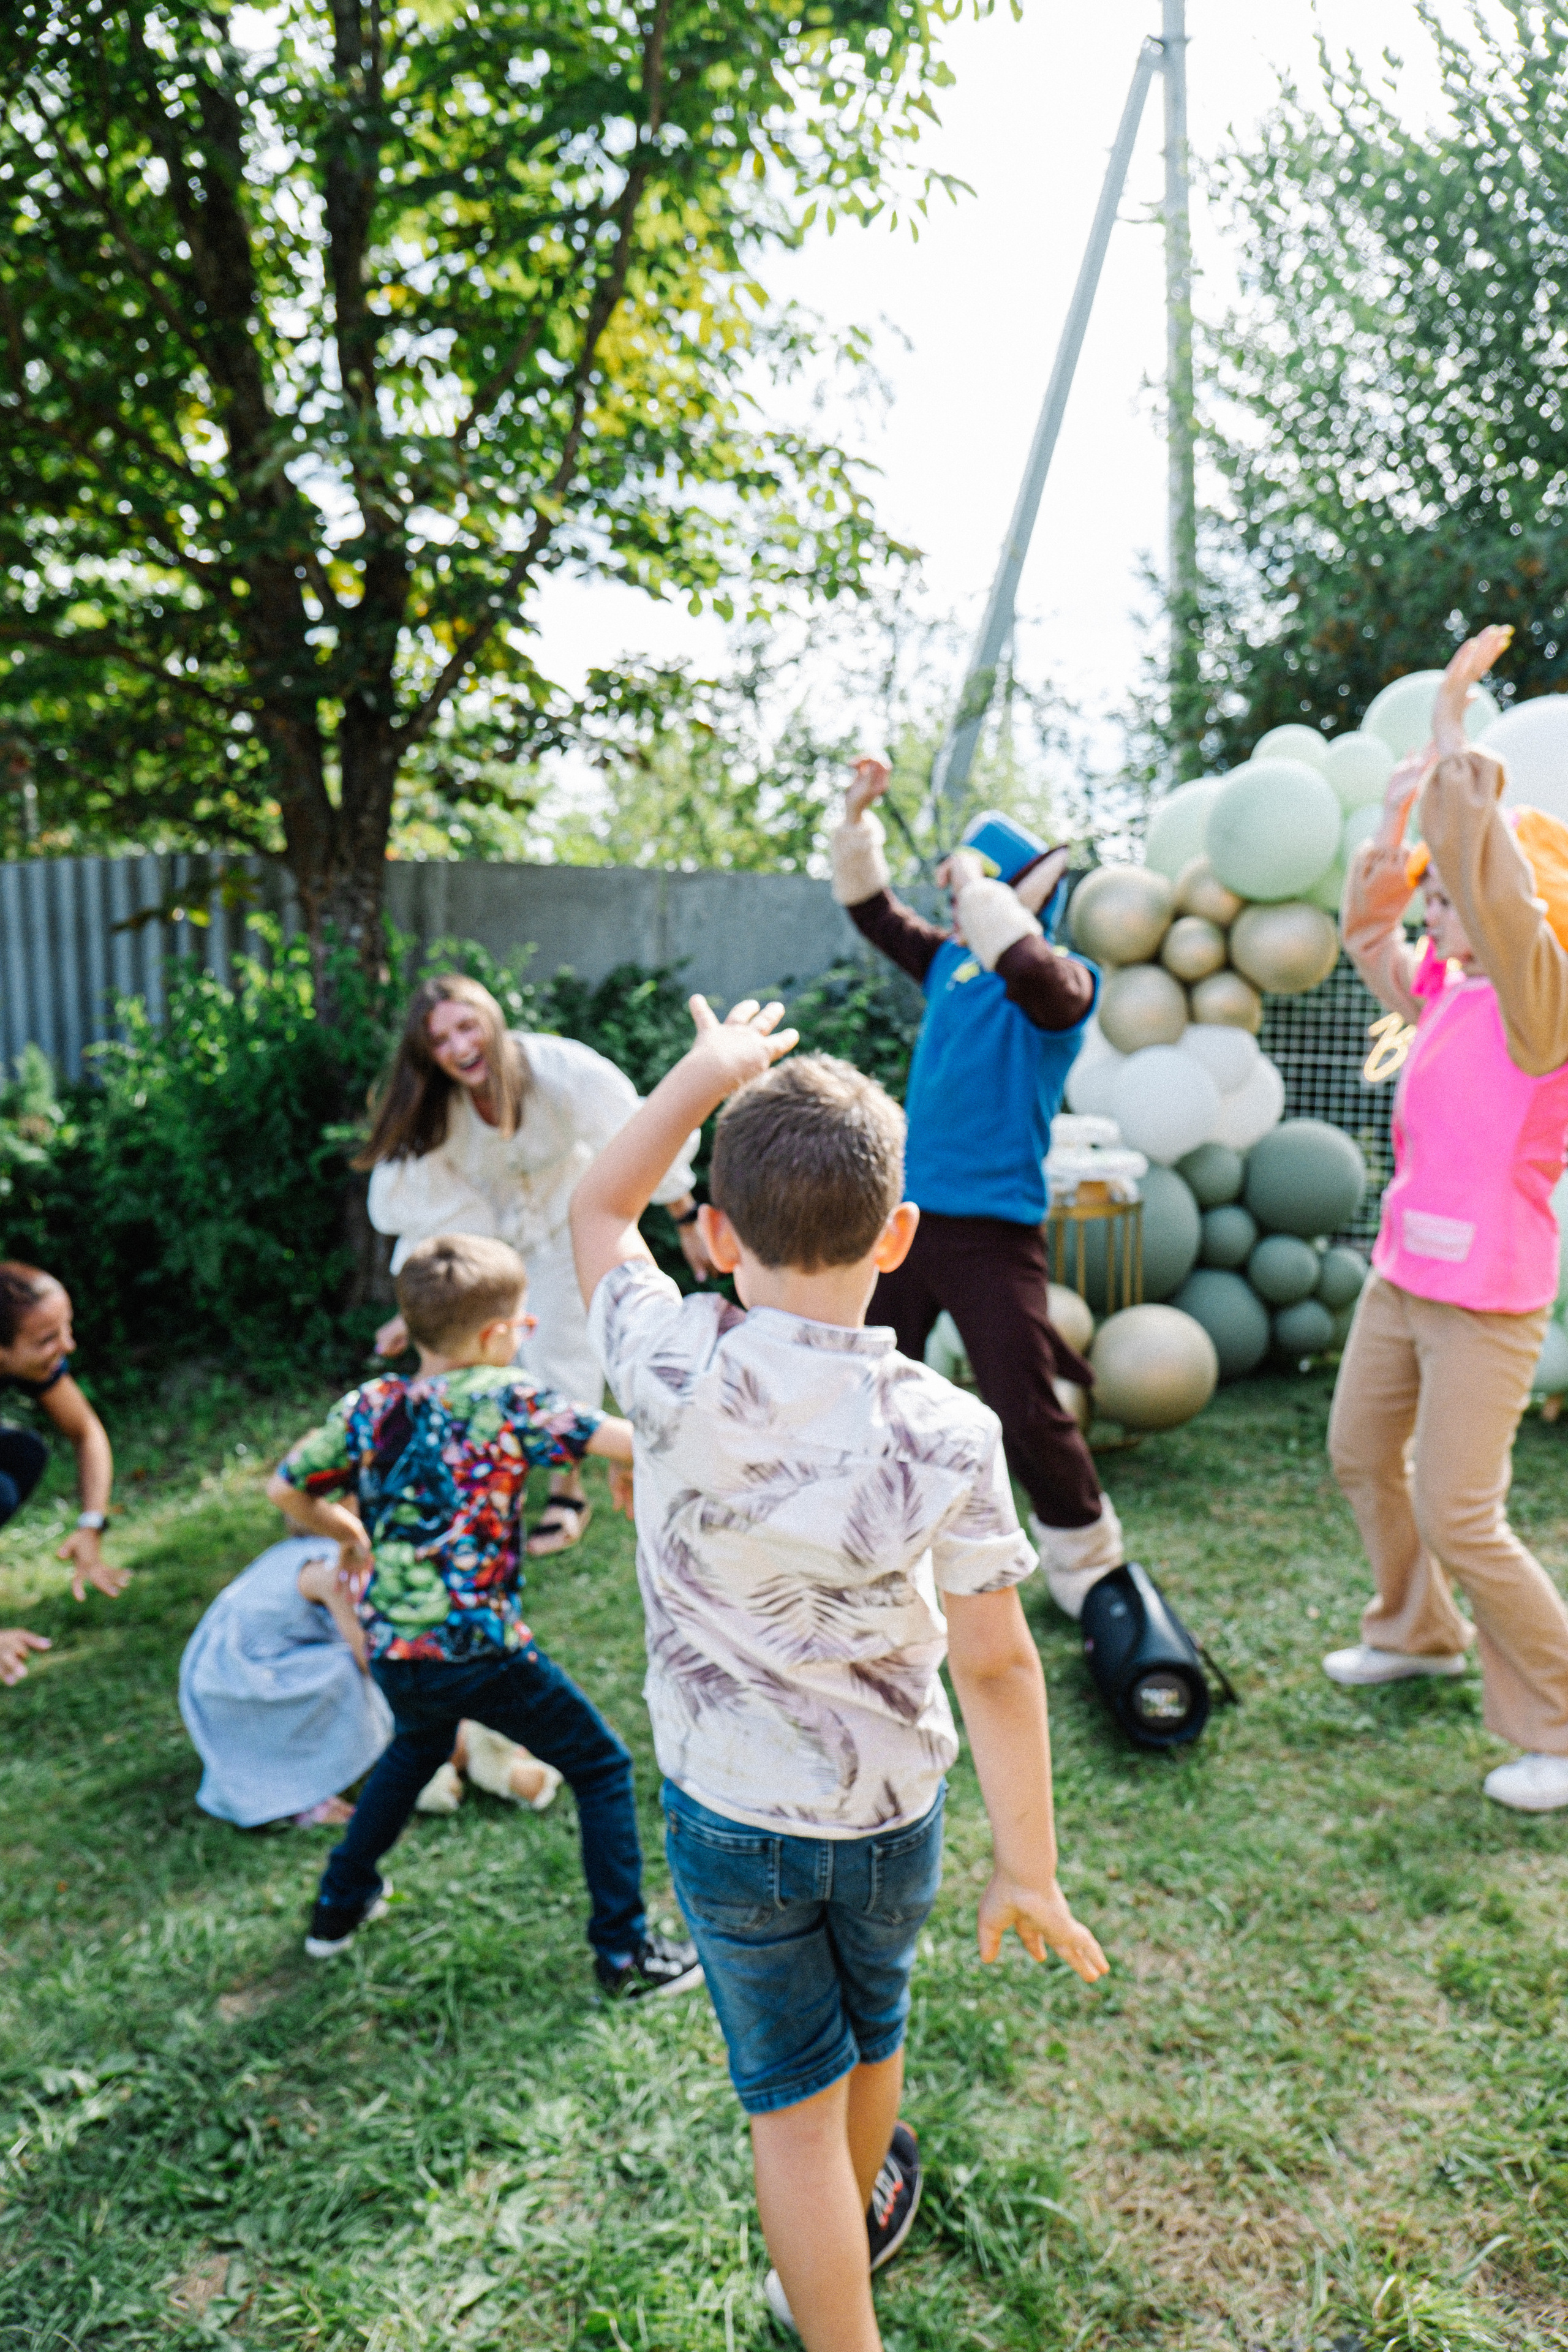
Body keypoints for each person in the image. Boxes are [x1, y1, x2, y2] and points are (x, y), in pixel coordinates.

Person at [570, 997, 1109, 2351]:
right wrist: (1027, 1866)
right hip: (888, 1820)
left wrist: (704, 1074)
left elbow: (593, 1208)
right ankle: (858, 2228)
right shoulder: (948, 1426)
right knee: (872, 2032)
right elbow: (994, 1667)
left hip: (731, 1820)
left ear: (713, 1236)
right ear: (898, 1236)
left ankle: (835, 2324)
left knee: (788, 2109)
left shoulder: (671, 1359)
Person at [269, 1231, 702, 1997]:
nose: (526, 1336)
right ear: (497, 1335)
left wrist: (346, 1532)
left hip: (397, 1645)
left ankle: (336, 1911)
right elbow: (628, 1440)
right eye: (524, 1324)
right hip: (482, 1648)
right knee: (602, 1767)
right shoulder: (507, 1399)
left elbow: (286, 1487)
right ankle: (624, 1954)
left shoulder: (370, 1406)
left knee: (415, 1749)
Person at [1327, 626, 1568, 1812]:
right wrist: (1390, 816)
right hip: (1400, 1282)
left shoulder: (1539, 1007)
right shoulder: (1441, 988)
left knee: (1459, 1514)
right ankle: (1413, 1632)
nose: (1432, 905)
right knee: (1358, 1456)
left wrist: (1450, 748)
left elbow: (1507, 905)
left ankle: (1559, 1723)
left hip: (1488, 1303)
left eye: (1448, 887)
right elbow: (1364, 931)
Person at [829, 766, 1126, 1617]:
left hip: (995, 1231)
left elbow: (1035, 973)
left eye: (970, 889)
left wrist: (985, 891)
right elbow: (873, 911)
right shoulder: (950, 964)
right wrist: (856, 821)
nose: (955, 904)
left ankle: (1090, 1564)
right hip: (904, 1220)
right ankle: (868, 1538)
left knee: (1023, 1405)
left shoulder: (1062, 983)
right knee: (868, 1382)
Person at [358, 975, 706, 1556]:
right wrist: (415, 1310)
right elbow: (422, 1204)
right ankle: (460, 1486)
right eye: (439, 1040)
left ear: (491, 1022)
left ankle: (567, 1489)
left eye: (466, 1026)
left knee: (562, 1353)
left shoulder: (561, 1071)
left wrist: (686, 1212)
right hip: (489, 1238)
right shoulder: (435, 1104)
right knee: (471, 1357)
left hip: (565, 1223)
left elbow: (637, 1133)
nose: (458, 1048)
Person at [178, 1535, 561, 1828]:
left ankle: (463, 1754)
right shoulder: (331, 1570)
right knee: (354, 1671)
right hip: (244, 1686)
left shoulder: (308, 1550)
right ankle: (307, 1791)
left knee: (368, 1662)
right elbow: (370, 1657)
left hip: (224, 1674)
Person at [0, 1262, 123, 1602]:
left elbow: (85, 1430)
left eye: (66, 1328)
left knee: (24, 1453)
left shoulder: (35, 1362)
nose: (68, 1346)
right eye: (48, 1339)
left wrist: (91, 1523)